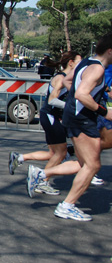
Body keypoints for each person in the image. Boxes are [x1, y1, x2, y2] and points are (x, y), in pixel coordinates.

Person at [27, 34, 112, 221]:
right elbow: (82, 93)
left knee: (84, 164)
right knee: (93, 165)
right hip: (82, 119)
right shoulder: (97, 69)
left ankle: (42, 173)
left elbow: (69, 81)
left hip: (75, 116)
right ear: (110, 51)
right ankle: (67, 206)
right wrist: (104, 112)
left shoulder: (87, 61)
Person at [8, 51, 82, 195]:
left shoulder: (67, 78)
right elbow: (52, 100)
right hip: (50, 116)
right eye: (80, 61)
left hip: (51, 117)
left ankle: (20, 158)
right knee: (60, 153)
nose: (82, 64)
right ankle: (42, 180)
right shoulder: (61, 78)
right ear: (71, 63)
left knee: (54, 153)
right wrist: (71, 107)